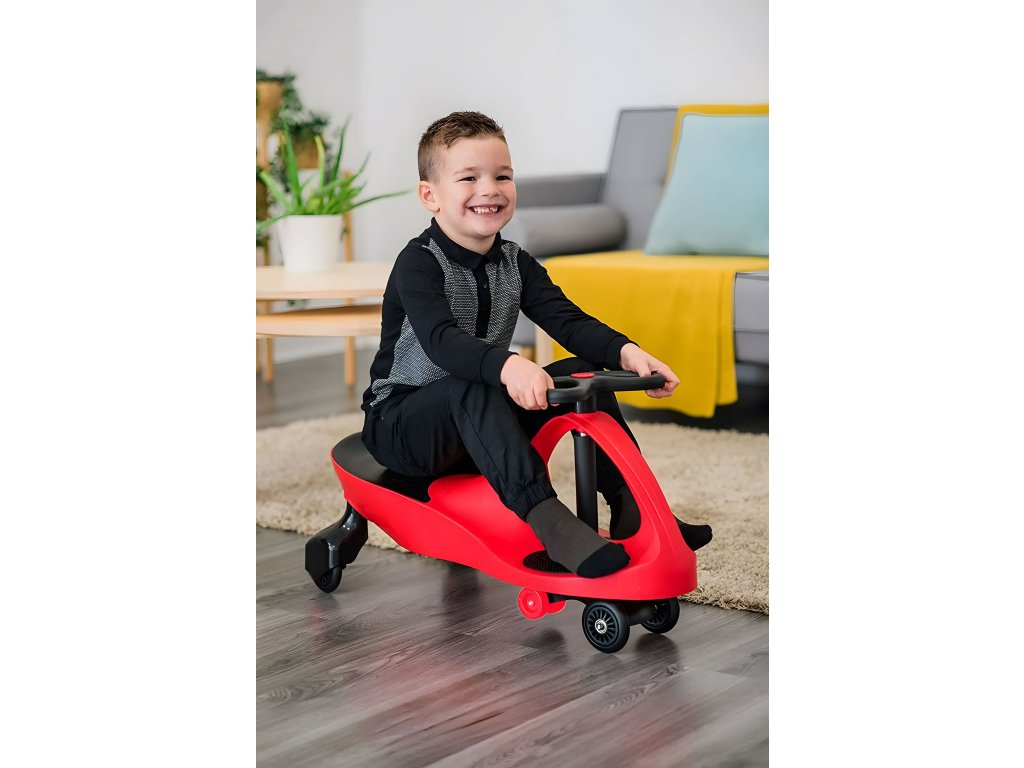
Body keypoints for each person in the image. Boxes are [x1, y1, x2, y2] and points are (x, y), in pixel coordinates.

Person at [361, 111, 712, 578]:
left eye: (502, 176)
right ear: (431, 196)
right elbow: (443, 343)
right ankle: (549, 522)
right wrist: (510, 366)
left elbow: (567, 321)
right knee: (471, 386)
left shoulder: (516, 262)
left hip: (480, 420)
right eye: (469, 178)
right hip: (403, 426)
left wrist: (627, 352)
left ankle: (632, 507)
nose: (490, 189)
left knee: (580, 371)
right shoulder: (418, 264)